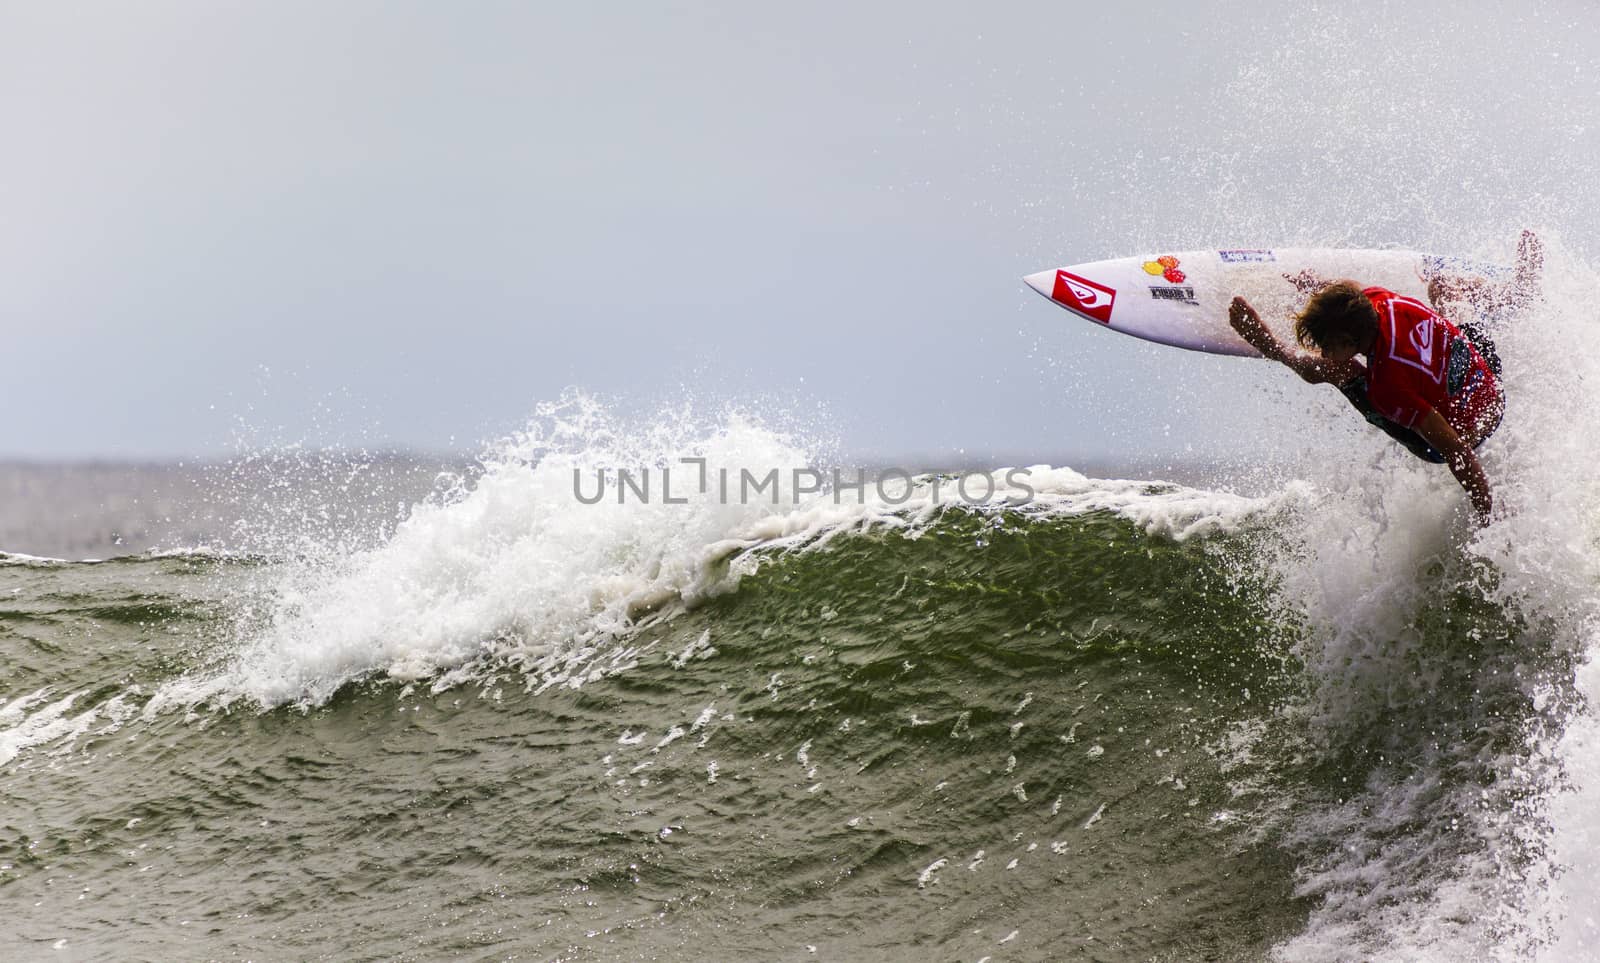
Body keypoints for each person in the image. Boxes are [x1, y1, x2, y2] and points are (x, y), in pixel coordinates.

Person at [1226, 233, 1541, 524]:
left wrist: (1488, 516)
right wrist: (1319, 287)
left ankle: (1272, 347)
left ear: (1350, 342)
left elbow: (1455, 449)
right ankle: (1516, 291)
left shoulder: (1388, 385)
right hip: (1487, 387)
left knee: (1340, 371)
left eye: (1327, 345)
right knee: (1444, 287)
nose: (1322, 351)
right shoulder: (1381, 301)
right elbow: (1350, 287)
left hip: (1469, 429)